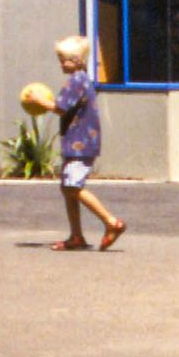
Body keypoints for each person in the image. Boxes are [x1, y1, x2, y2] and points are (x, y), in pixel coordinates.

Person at [48, 35, 125, 251]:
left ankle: (111, 222)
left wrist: (37, 101)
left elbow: (60, 107)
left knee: (73, 186)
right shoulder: (80, 78)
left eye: (66, 60)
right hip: (77, 142)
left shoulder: (76, 80)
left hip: (80, 143)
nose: (62, 64)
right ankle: (76, 236)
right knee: (67, 188)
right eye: (60, 59)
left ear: (79, 60)